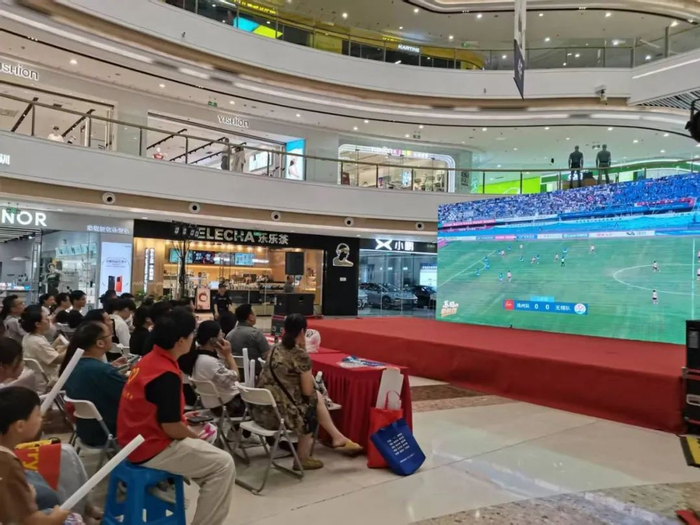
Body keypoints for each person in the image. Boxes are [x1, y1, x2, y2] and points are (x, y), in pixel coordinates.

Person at [117, 308, 236, 525]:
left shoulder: (149, 360)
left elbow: (159, 411)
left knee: (204, 448)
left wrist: (185, 422)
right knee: (224, 464)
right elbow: (171, 427)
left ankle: (166, 485)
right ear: (181, 340)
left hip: (132, 439)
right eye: (192, 334)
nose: (193, 339)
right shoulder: (166, 374)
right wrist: (194, 436)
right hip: (150, 447)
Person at [253, 314, 362, 471]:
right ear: (303, 332)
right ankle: (303, 458)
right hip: (278, 416)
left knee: (315, 398)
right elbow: (307, 390)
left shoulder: (275, 349)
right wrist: (304, 352)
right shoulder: (300, 355)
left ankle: (337, 437)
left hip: (260, 411)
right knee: (312, 405)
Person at [0, 386, 72, 525]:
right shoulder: (8, 464)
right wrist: (56, 518)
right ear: (20, 426)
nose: (41, 418)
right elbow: (31, 520)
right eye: (38, 415)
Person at [62, 322, 126, 447]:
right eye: (109, 334)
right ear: (100, 343)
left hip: (85, 430)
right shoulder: (102, 371)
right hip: (108, 431)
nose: (112, 336)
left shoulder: (72, 366)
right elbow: (130, 395)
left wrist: (111, 369)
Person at [179, 321, 244, 417]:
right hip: (228, 406)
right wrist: (229, 355)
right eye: (220, 335)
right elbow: (236, 377)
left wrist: (222, 355)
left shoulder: (197, 357)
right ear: (212, 340)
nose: (223, 337)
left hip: (214, 405)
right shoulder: (209, 362)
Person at [21, 306, 66, 390]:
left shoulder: (29, 337)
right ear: (38, 324)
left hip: (39, 377)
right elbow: (57, 359)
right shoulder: (38, 341)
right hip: (50, 379)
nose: (49, 320)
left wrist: (55, 344)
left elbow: (43, 353)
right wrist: (72, 346)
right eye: (46, 319)